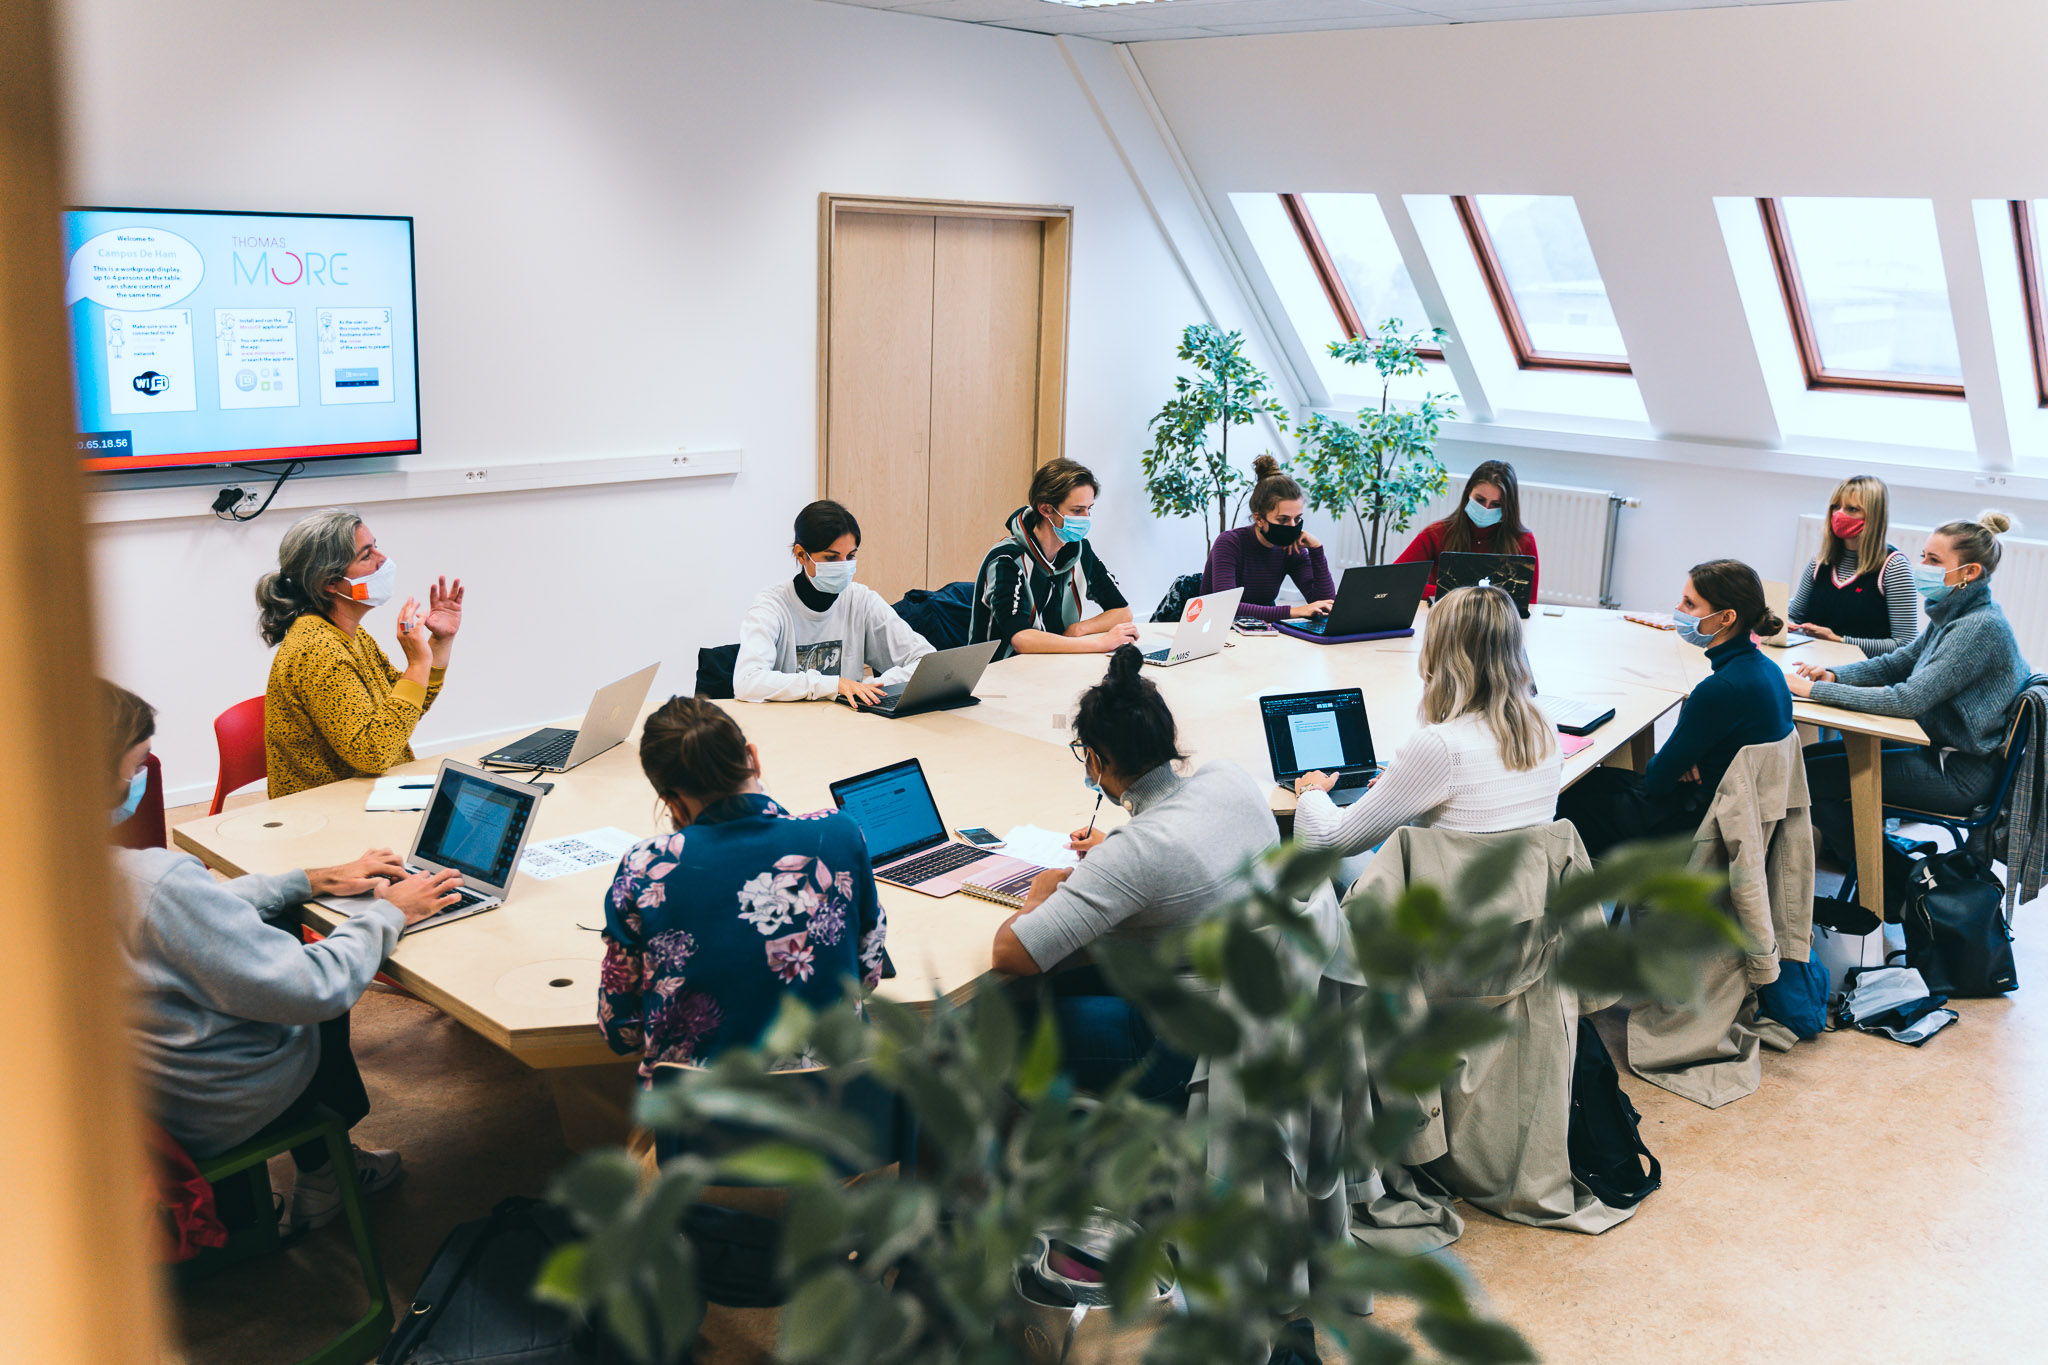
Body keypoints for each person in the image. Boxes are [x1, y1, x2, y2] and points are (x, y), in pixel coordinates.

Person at [109, 681, 465, 1230]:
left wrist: (309, 879)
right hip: (209, 1103)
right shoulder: (153, 881)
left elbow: (180, 912)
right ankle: (330, 1171)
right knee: (322, 978)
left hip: (133, 1092)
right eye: (136, 769)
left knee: (274, 917)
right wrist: (391, 911)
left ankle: (324, 1167)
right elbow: (316, 987)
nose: (140, 781)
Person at [990, 646, 1277, 1104]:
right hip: (1256, 1014)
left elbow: (1011, 955)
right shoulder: (1230, 778)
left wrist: (1038, 896)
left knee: (985, 1023)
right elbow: (1180, 846)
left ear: (1097, 761)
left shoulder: (1139, 850)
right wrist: (1116, 856)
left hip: (1178, 1048)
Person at [598, 696, 886, 1079]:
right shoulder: (838, 834)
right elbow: (867, 973)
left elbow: (622, 1030)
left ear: (669, 801)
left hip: (704, 1124)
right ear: (753, 756)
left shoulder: (645, 867)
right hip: (838, 1109)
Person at [1794, 513, 2031, 894]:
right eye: (1924, 556)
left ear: (1969, 573)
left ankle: (1892, 885)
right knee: (1806, 765)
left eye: (1934, 561)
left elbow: (1908, 699)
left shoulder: (1978, 627)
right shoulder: (1956, 613)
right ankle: (1892, 868)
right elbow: (1901, 661)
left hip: (1959, 773)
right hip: (1939, 751)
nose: (1921, 567)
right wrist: (1835, 675)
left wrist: (1814, 692)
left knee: (1807, 780)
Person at [1293, 586, 1560, 857]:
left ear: (1440, 652)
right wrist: (1408, 780)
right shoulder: (1543, 725)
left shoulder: (1441, 745)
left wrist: (1310, 789)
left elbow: (1331, 841)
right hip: (1525, 892)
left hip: (1443, 897)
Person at [1557, 560, 1792, 859]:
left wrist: (1681, 760)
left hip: (1691, 826)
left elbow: (1656, 779)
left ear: (1726, 618)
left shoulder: (1719, 689)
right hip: (1728, 812)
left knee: (1563, 797)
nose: (1678, 608)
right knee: (1595, 780)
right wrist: (1687, 758)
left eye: (1690, 604)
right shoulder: (1768, 670)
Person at [258, 508, 465, 797]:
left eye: (376, 547)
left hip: (368, 793)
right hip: (327, 809)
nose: (383, 560)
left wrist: (439, 642)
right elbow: (372, 753)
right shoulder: (319, 650)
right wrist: (417, 662)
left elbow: (404, 709)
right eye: (366, 556)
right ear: (329, 583)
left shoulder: (349, 634)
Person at [734, 499, 935, 704]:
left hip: (849, 722)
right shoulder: (772, 605)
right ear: (801, 555)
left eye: (850, 556)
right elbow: (747, 682)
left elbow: (927, 661)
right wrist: (833, 685)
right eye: (831, 558)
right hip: (791, 727)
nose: (843, 566)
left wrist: (875, 685)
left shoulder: (861, 600)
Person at [970, 458, 1138, 658]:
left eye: (1089, 509)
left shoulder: (1080, 551)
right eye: (1077, 510)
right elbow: (1022, 639)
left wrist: (1079, 630)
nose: (1085, 518)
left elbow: (1121, 612)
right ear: (1046, 509)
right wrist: (1100, 643)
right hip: (999, 672)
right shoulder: (1006, 559)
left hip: (1053, 662)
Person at [1787, 474, 1917, 656]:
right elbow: (1794, 614)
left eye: (1852, 509)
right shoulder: (1819, 561)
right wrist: (1784, 623)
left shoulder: (1894, 567)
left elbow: (1905, 643)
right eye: (1836, 507)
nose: (1839, 515)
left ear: (1874, 516)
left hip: (1862, 670)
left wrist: (1840, 641)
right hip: (1811, 660)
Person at [1202, 455, 1337, 623]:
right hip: (1216, 630)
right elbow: (1227, 606)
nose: (1292, 526)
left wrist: (1317, 550)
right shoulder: (1230, 542)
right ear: (1259, 519)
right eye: (1283, 520)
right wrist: (1294, 611)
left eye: (1298, 518)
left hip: (1261, 631)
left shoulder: (1291, 548)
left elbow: (1326, 604)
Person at [1395, 460, 1540, 602]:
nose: (1486, 509)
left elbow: (1529, 601)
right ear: (1467, 495)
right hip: (1446, 620)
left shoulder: (1523, 540)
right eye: (1480, 500)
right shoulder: (1436, 533)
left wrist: (1452, 593)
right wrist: (1465, 595)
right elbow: (1395, 580)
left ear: (1508, 507)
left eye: (1496, 504)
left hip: (1499, 624)